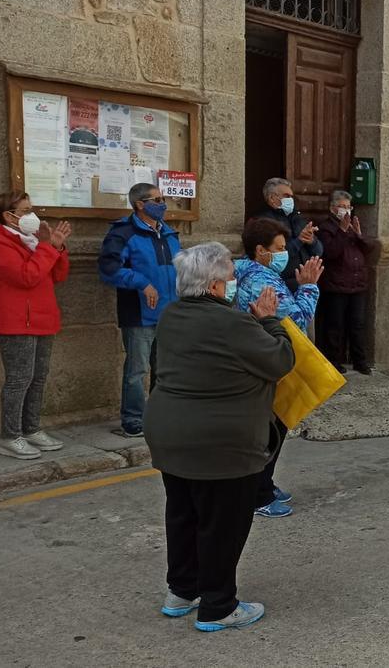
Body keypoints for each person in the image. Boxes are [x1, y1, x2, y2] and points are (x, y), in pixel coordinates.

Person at [143, 242, 294, 633]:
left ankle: (181, 591)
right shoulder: (234, 323)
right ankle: (218, 606)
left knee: (182, 514)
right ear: (212, 286)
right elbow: (278, 360)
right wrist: (269, 320)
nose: (232, 284)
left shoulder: (171, 316)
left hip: (170, 434)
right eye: (229, 278)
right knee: (222, 524)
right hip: (223, 443)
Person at [234, 217, 323, 518]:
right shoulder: (262, 281)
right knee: (271, 429)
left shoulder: (245, 271)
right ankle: (258, 494)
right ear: (261, 250)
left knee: (272, 425)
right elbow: (295, 321)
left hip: (258, 359)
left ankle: (265, 484)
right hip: (266, 362)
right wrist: (309, 287)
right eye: (280, 248)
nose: (285, 254)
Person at [0, 192, 71, 460]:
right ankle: (11, 436)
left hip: (42, 319)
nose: (32, 216)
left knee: (38, 378)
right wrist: (47, 248)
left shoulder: (33, 242)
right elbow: (27, 277)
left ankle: (31, 429)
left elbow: (58, 274)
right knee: (19, 380)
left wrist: (57, 247)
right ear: (8, 215)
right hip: (15, 323)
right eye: (26, 210)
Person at [98, 182, 181, 438]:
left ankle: (160, 414)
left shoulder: (169, 233)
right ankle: (133, 419)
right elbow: (108, 270)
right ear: (140, 204)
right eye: (157, 199)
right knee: (137, 370)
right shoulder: (122, 233)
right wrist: (141, 283)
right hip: (139, 314)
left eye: (163, 198)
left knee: (165, 368)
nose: (163, 203)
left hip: (169, 313)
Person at [315, 190, 379, 374]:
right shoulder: (326, 228)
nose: (346, 210)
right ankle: (334, 361)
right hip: (336, 285)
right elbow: (330, 252)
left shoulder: (352, 226)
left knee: (357, 324)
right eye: (342, 206)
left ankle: (360, 361)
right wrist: (342, 231)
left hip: (357, 284)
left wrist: (358, 234)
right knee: (335, 325)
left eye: (348, 207)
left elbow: (369, 248)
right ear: (332, 207)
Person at [248, 177, 323, 294]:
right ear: (272, 198)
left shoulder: (297, 218)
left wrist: (312, 240)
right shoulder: (263, 221)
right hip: (280, 283)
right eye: (287, 196)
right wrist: (299, 240)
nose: (291, 199)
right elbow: (273, 253)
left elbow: (319, 251)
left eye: (291, 196)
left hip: (306, 281)